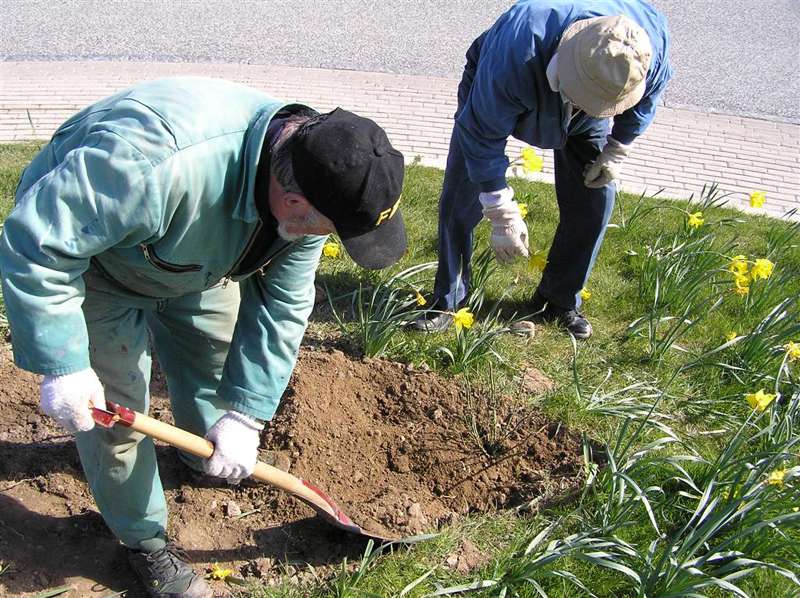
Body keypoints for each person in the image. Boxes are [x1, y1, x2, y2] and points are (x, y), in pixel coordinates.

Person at [0, 77, 406, 598]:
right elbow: (38, 245)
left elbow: (282, 305)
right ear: (291, 200)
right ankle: (145, 542)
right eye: (329, 229)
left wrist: (247, 415)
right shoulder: (150, 165)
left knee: (217, 367)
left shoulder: (317, 179)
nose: (325, 238)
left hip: (191, 257)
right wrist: (64, 362)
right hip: (93, 262)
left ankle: (201, 452)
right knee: (115, 418)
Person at [413, 0, 673, 338]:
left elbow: (648, 98)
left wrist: (617, 148)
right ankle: (448, 301)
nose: (583, 107)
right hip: (506, 86)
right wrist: (500, 211)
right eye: (581, 98)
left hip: (586, 113)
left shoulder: (648, 44)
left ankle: (558, 299)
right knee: (461, 197)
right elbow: (481, 135)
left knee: (595, 203)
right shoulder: (518, 50)